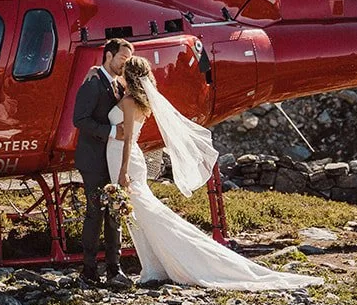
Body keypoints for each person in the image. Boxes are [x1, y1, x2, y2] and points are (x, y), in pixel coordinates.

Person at [108, 56, 321, 290]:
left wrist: (123, 171)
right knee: (140, 216)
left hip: (125, 160)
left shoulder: (129, 102)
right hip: (126, 158)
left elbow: (127, 139)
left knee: (146, 215)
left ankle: (167, 265)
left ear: (128, 76)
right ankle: (153, 267)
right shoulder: (139, 101)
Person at [72, 37, 133, 288]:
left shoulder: (119, 85)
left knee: (114, 213)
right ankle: (88, 269)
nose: (125, 64)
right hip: (93, 161)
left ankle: (113, 268)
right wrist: (110, 131)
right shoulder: (92, 83)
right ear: (108, 55)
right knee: (95, 213)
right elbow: (80, 120)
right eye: (122, 58)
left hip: (112, 161)